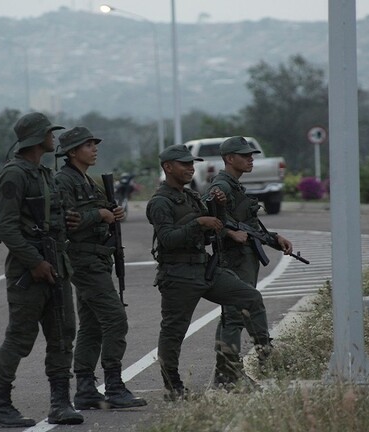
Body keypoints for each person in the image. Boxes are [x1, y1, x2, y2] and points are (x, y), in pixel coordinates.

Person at [145, 144, 273, 400]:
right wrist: (198, 223)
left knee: (249, 297)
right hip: (178, 274)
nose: (191, 168)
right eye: (184, 164)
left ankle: (266, 354)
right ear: (168, 168)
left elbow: (215, 227)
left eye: (192, 164)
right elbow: (168, 239)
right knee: (174, 332)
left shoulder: (191, 197)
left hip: (204, 269)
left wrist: (219, 209)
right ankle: (173, 388)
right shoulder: (159, 202)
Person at [0, 112, 84, 427]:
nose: (54, 138)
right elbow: (6, 227)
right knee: (19, 337)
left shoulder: (42, 173)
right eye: (49, 134)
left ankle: (60, 402)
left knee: (63, 334)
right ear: (37, 138)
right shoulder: (14, 175)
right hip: (30, 272)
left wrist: (69, 222)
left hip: (55, 264)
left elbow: (49, 216)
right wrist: (35, 262)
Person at [54, 126, 147, 410]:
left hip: (97, 259)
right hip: (83, 260)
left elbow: (98, 210)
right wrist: (101, 214)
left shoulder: (88, 180)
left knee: (93, 325)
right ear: (72, 152)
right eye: (88, 145)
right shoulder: (64, 180)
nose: (94, 149)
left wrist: (112, 211)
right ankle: (114, 385)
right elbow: (68, 219)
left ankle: (85, 389)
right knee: (115, 318)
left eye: (94, 144)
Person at [209, 136, 293, 389]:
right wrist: (228, 233)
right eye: (244, 155)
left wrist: (274, 239)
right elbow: (205, 216)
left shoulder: (234, 186)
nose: (250, 159)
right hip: (233, 259)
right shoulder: (221, 186)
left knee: (233, 315)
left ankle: (225, 374)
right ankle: (230, 375)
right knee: (234, 315)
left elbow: (250, 226)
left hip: (244, 258)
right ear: (229, 159)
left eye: (251, 155)